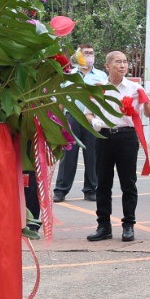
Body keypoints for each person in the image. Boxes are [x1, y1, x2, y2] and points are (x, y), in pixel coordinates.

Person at [89, 50, 150, 243]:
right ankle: (103, 226)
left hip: (126, 136)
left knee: (128, 183)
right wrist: (94, 122)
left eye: (125, 61)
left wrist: (143, 100)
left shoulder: (134, 88)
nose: (123, 65)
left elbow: (149, 113)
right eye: (118, 62)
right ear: (108, 66)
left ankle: (128, 225)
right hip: (103, 136)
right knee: (103, 183)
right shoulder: (99, 88)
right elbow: (87, 113)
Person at [54, 43, 106, 202]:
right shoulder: (69, 74)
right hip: (72, 117)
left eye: (92, 53)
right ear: (79, 55)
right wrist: (58, 120)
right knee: (68, 155)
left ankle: (91, 189)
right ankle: (61, 190)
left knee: (92, 155)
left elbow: (106, 98)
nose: (89, 56)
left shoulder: (101, 76)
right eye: (86, 53)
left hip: (92, 119)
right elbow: (60, 98)